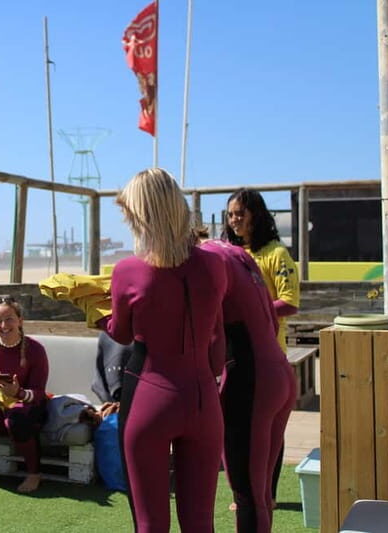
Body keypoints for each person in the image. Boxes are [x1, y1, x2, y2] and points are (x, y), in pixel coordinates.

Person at [97, 167, 228, 532]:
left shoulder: (128, 271)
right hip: (204, 400)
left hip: (150, 401)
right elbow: (214, 331)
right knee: (200, 521)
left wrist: (100, 317)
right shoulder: (215, 265)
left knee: (151, 523)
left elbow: (120, 334)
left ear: (142, 217)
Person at [199, 235, 297, 532]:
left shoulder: (207, 259)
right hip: (279, 371)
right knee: (261, 492)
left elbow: (215, 348)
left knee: (248, 494)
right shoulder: (239, 254)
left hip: (250, 380)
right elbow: (273, 319)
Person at [223, 187, 301, 507]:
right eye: (230, 215)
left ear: (257, 215)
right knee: (236, 432)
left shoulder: (276, 254)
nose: (234, 220)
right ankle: (243, 492)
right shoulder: (228, 255)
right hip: (231, 358)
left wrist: (256, 312)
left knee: (269, 434)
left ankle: (267, 493)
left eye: (240, 213)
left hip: (268, 356)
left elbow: (291, 302)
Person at [0, 297, 49, 493]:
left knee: (17, 419)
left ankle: (33, 473)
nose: (4, 325)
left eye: (9, 319)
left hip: (25, 404)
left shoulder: (35, 350)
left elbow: (39, 392)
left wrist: (19, 393)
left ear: (20, 321)